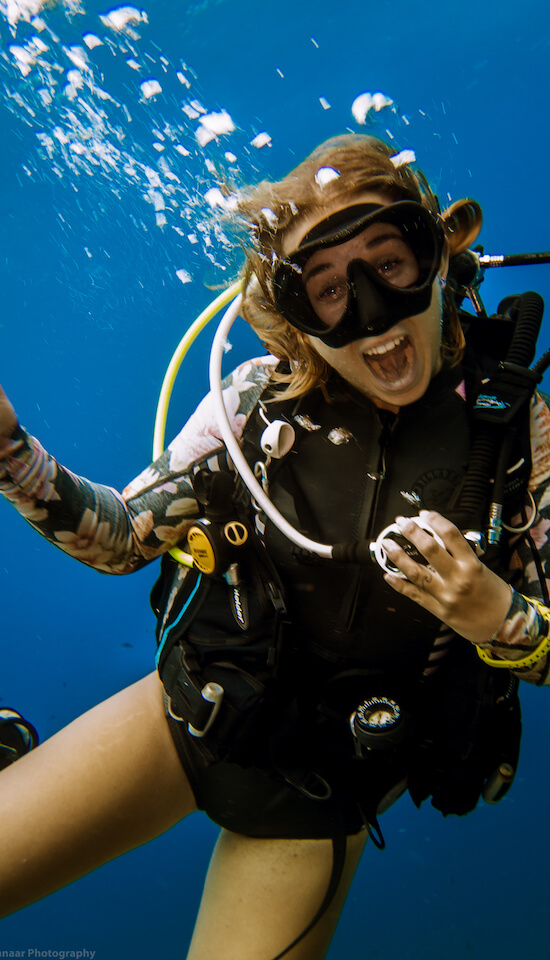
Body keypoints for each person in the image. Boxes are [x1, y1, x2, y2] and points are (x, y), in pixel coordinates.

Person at [1, 133, 549, 960]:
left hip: (316, 801)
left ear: (440, 251)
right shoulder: (259, 402)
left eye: (388, 265)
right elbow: (120, 541)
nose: (369, 312)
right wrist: (12, 455)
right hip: (181, 721)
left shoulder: (522, 439)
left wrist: (497, 615)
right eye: (326, 289)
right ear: (291, 308)